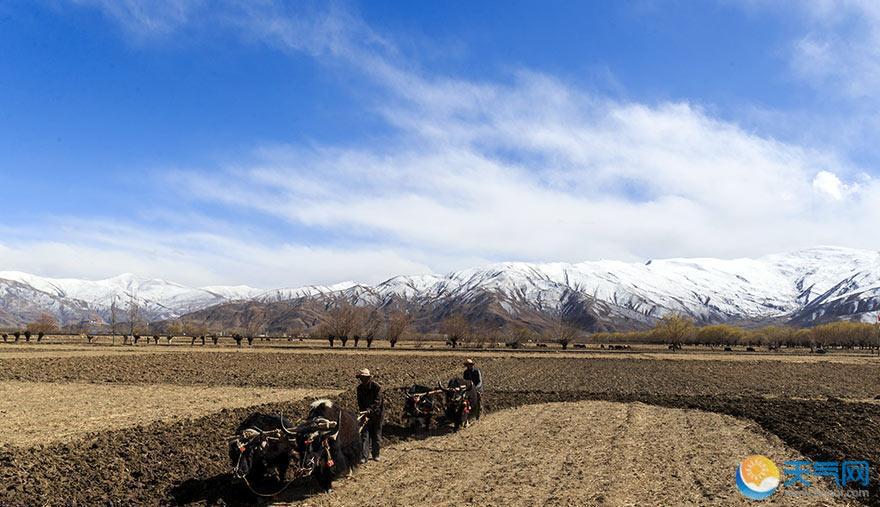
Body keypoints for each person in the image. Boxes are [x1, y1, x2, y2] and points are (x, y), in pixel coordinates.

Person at [356, 368, 384, 462]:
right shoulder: (359, 388)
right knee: (365, 435)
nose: (362, 380)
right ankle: (364, 456)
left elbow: (377, 402)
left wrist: (369, 411)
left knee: (376, 434)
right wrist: (364, 412)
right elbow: (360, 402)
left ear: (368, 378)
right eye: (361, 378)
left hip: (377, 414)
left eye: (364, 378)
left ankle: (376, 454)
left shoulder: (377, 387)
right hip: (365, 414)